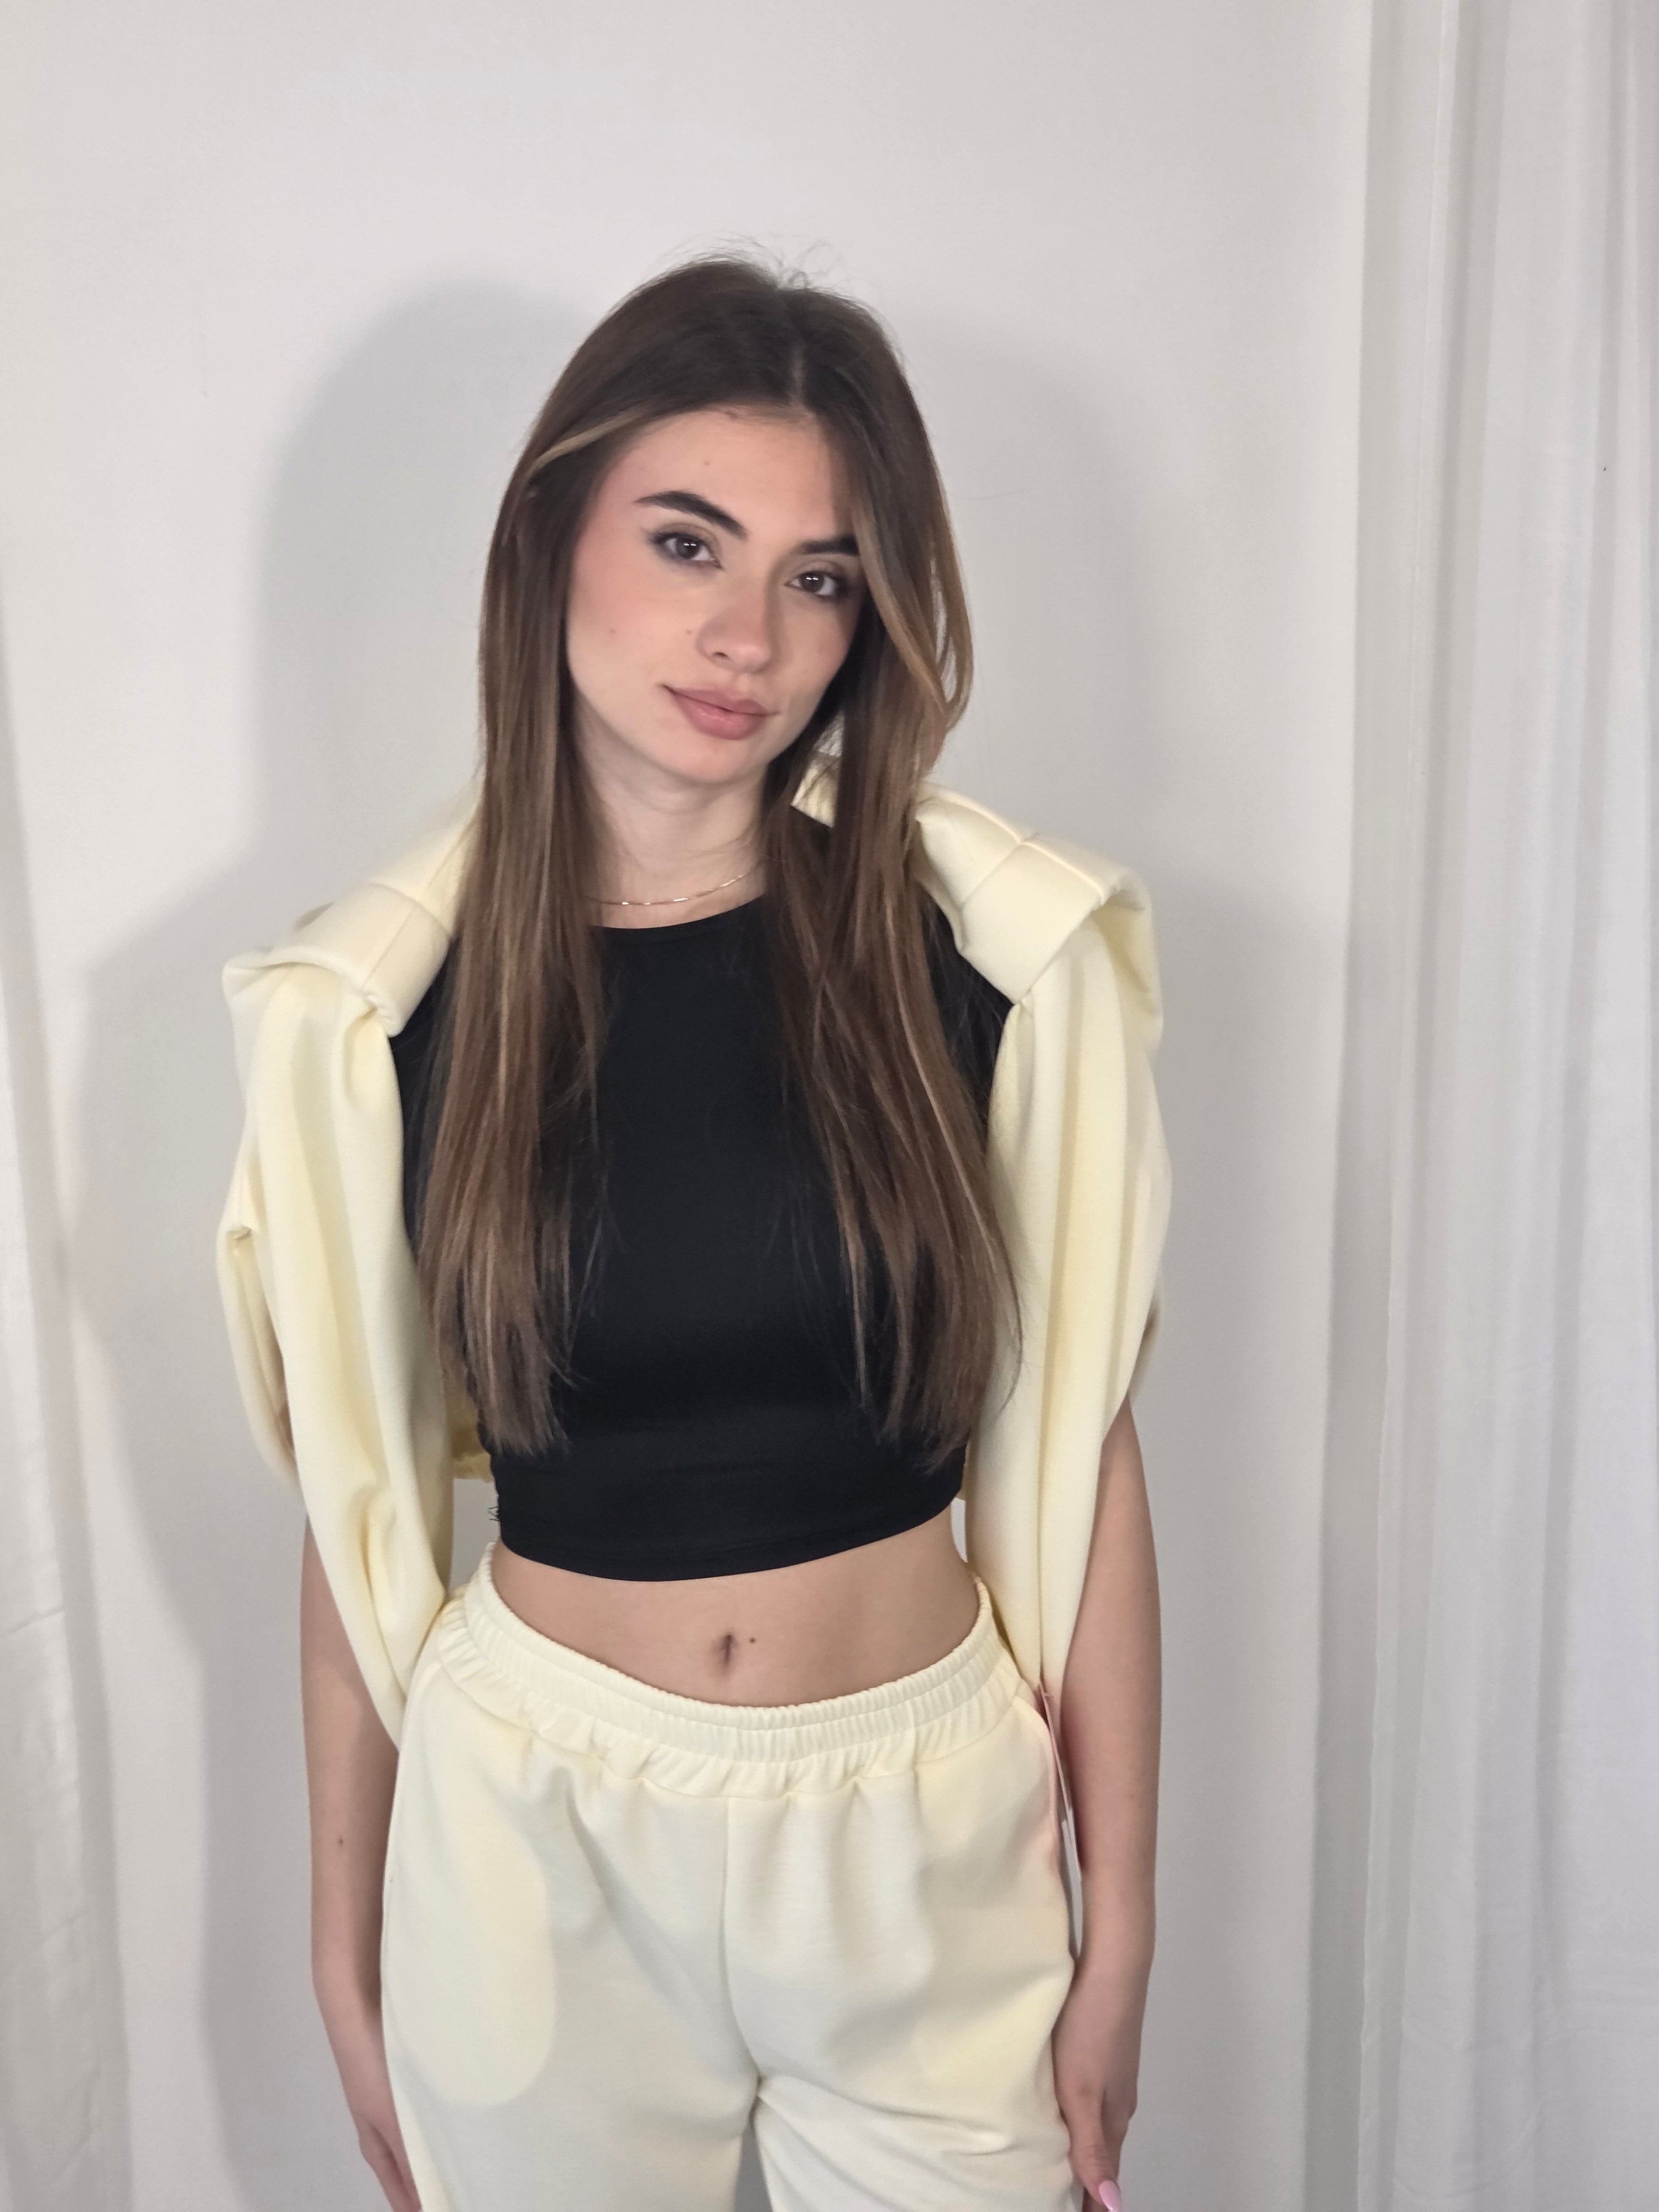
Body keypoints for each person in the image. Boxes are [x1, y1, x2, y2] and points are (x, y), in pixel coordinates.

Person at [215, 254, 1171, 2212]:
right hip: (531, 1842)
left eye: (820, 576)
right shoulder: (380, 1025)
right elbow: (356, 1509)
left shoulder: (980, 969)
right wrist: (339, 1945)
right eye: (686, 542)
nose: (750, 635)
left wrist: (1127, 1924)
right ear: (549, 537)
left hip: (923, 1834)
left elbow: (1085, 1450)